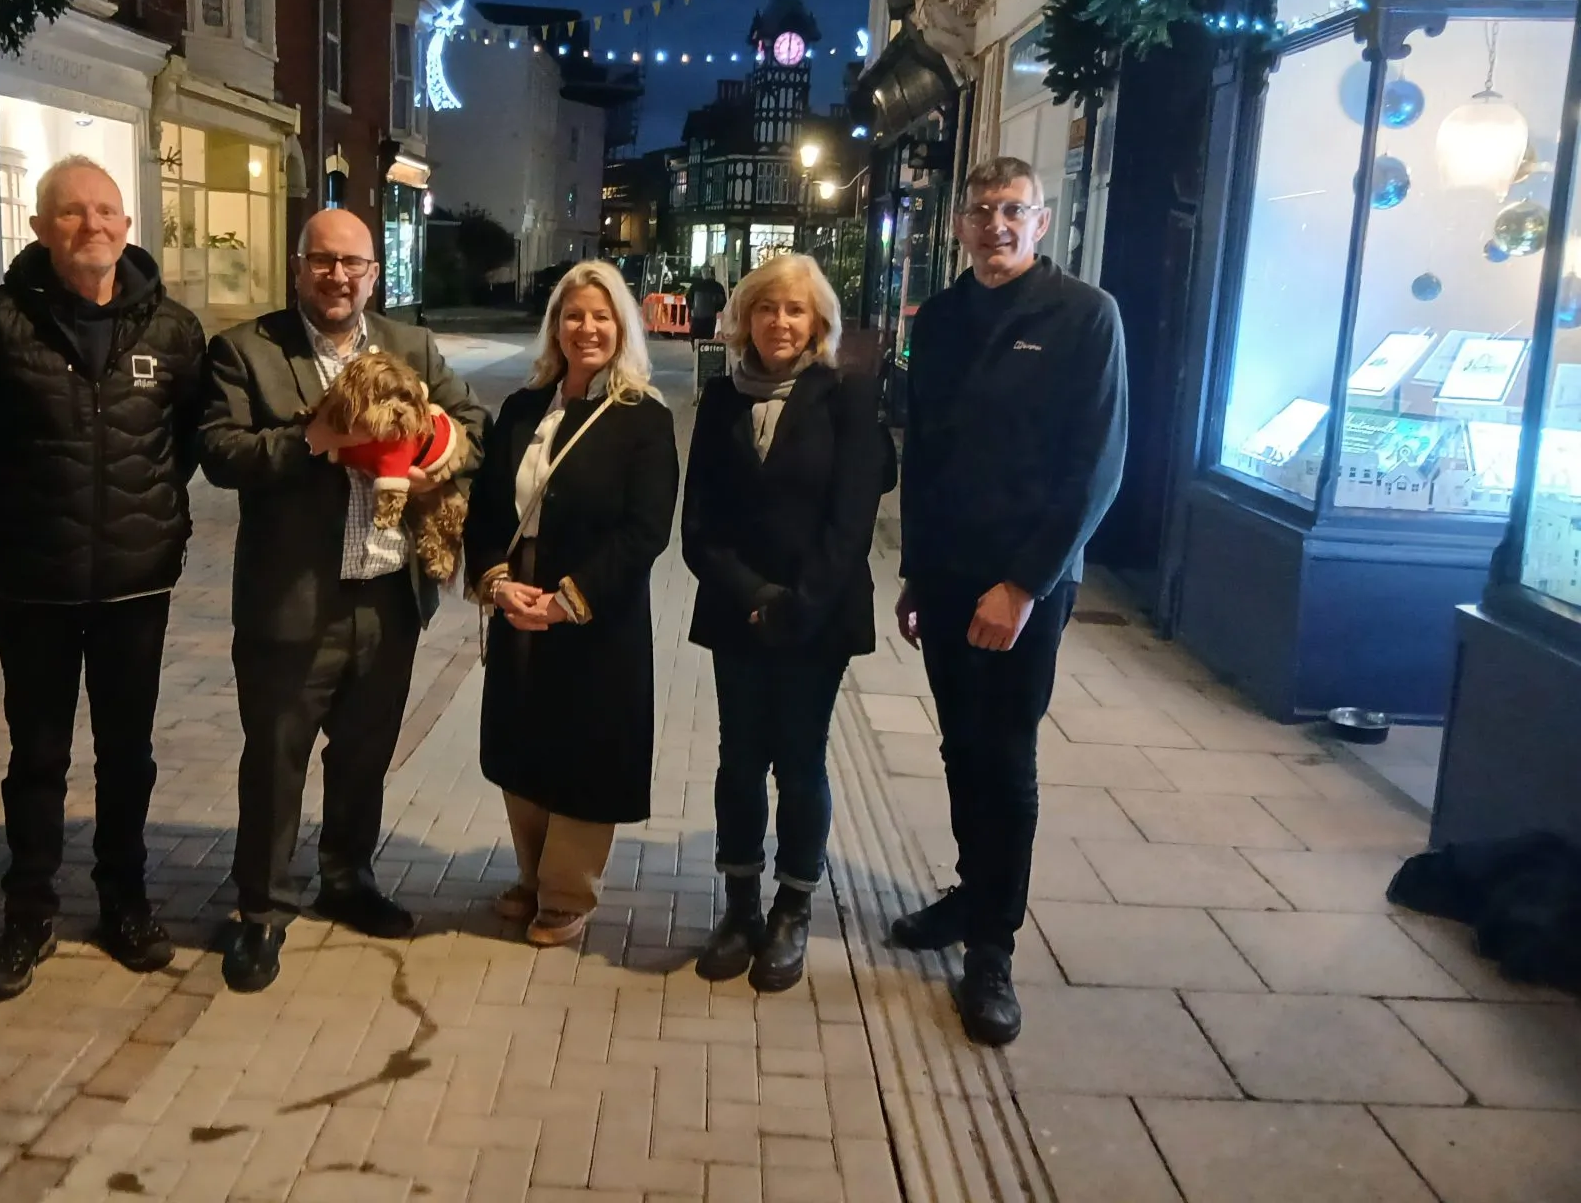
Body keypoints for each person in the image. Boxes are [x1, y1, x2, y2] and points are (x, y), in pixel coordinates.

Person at [0, 156, 206, 1004]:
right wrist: (5, 518)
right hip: (32, 582)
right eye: (72, 212)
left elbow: (185, 442)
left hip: (134, 582)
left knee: (128, 756)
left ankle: (125, 902)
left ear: (127, 225)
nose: (92, 225)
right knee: (37, 753)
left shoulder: (174, 330)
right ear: (43, 227)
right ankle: (29, 912)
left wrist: (145, 513)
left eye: (106, 211)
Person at [199, 210, 487, 993]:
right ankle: (260, 911)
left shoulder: (412, 347)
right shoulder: (247, 350)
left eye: (352, 264)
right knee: (277, 761)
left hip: (389, 599)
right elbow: (220, 452)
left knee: (363, 758)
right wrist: (314, 441)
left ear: (373, 274)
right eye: (322, 262)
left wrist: (436, 459)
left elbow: (472, 424)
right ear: (299, 268)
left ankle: (348, 879)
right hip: (291, 603)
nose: (337, 276)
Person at [889, 156, 1128, 1046]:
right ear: (960, 222)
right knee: (960, 746)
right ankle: (970, 890)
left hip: (1027, 585)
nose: (997, 225)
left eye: (1014, 211)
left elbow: (1096, 469)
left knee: (1007, 756)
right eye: (983, 210)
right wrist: (915, 570)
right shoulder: (943, 317)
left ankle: (995, 943)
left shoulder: (1084, 318)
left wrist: (1024, 585)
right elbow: (927, 454)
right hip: (949, 578)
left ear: (1044, 219)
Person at [683, 255, 889, 992]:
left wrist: (797, 601)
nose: (779, 322)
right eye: (767, 308)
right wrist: (750, 592)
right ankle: (739, 907)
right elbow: (698, 524)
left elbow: (852, 521)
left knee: (799, 760)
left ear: (818, 323)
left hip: (817, 617)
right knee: (738, 758)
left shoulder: (848, 397)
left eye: (795, 310)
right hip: (739, 609)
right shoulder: (720, 398)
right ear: (746, 318)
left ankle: (793, 908)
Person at [465, 261, 679, 949]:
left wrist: (568, 601)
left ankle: (566, 892)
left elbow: (645, 530)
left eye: (602, 316)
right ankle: (532, 875)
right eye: (573, 315)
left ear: (622, 327)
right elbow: (489, 507)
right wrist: (495, 581)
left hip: (595, 608)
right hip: (517, 591)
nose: (587, 328)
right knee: (521, 734)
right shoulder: (525, 407)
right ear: (555, 325)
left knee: (586, 743)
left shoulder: (644, 417)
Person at [687, 266, 727, 343]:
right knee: (708, 337)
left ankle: (696, 350)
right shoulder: (718, 286)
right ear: (712, 274)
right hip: (710, 318)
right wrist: (717, 310)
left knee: (695, 336)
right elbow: (722, 302)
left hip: (697, 318)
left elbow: (688, 299)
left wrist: (691, 309)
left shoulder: (695, 286)